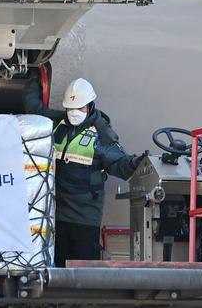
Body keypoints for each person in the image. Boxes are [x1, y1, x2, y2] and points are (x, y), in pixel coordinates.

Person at [23, 69, 146, 267]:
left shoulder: (101, 134)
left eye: (79, 108)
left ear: (89, 106)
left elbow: (119, 165)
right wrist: (34, 78)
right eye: (70, 108)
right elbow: (34, 110)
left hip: (85, 218)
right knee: (56, 268)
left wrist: (138, 162)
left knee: (84, 270)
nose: (74, 113)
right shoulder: (57, 124)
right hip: (55, 215)